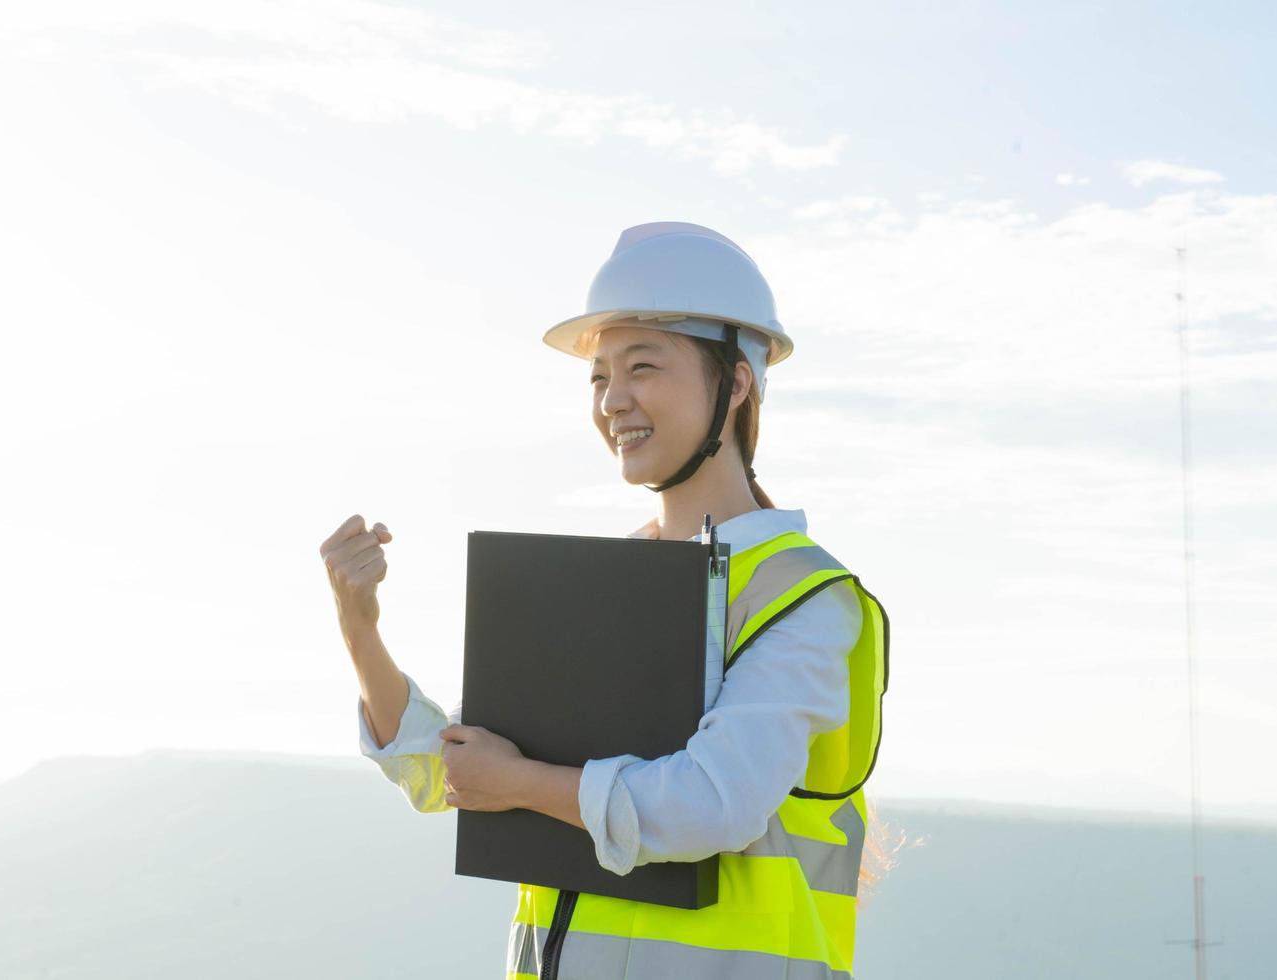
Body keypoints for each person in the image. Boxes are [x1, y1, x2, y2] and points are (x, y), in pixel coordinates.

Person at [319, 221, 892, 979]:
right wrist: (361, 630)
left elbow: (712, 803)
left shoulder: (805, 595)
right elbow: (452, 772)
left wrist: (523, 782)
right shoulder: (605, 584)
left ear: (737, 383)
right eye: (598, 377)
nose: (611, 401)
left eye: (642, 367)